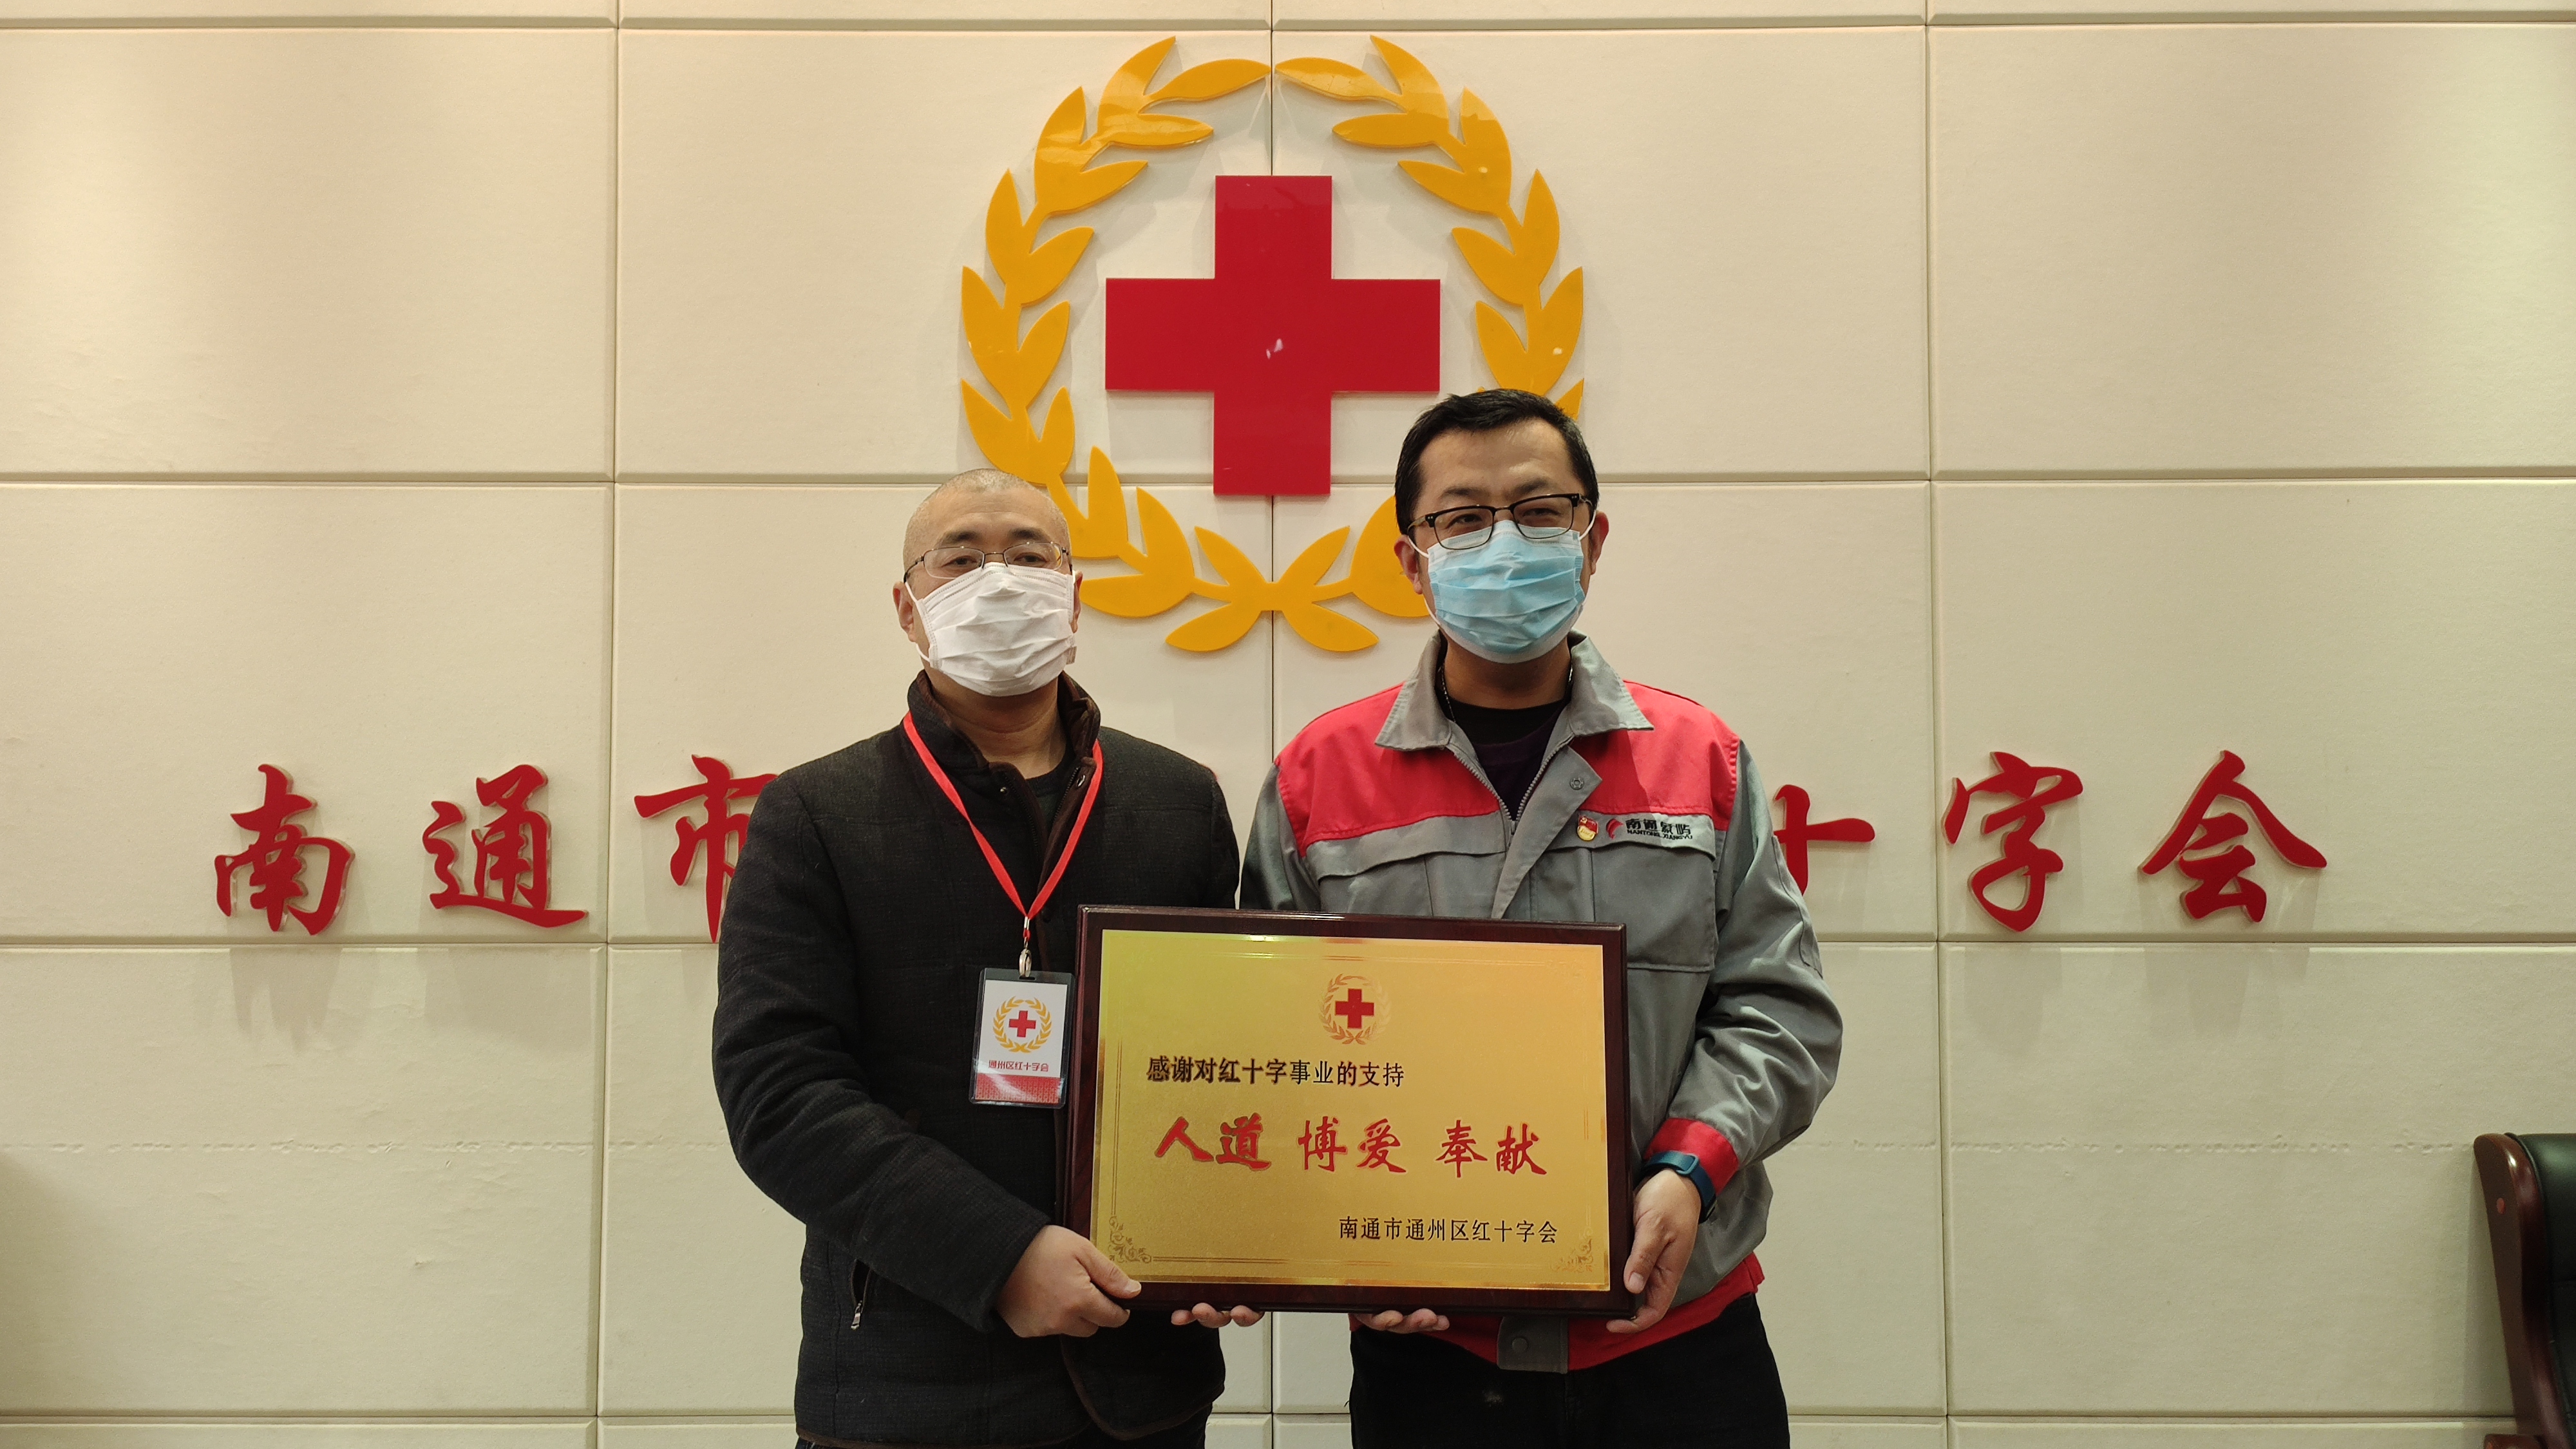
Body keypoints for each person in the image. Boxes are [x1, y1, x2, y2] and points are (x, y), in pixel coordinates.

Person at [1242, 392, 1841, 1448]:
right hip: (1434, 1349)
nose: (1503, 543)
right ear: (1412, 560)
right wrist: (1337, 1237)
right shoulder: (1317, 778)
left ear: (1592, 541)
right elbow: (1269, 1042)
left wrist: (1690, 1168)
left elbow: (1779, 1009)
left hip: (1677, 1334)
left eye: (1538, 511)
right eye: (1462, 518)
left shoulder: (1700, 759)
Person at [714, 469, 1258, 1449]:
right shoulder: (817, 814)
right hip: (904, 1373)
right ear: (908, 608)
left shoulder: (1178, 803)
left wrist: (1234, 1238)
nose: (998, 579)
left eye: (1028, 554)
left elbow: (1230, 1053)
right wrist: (1001, 1255)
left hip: (1139, 1379)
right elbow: (780, 1093)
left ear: (1074, 596)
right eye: (960, 558)